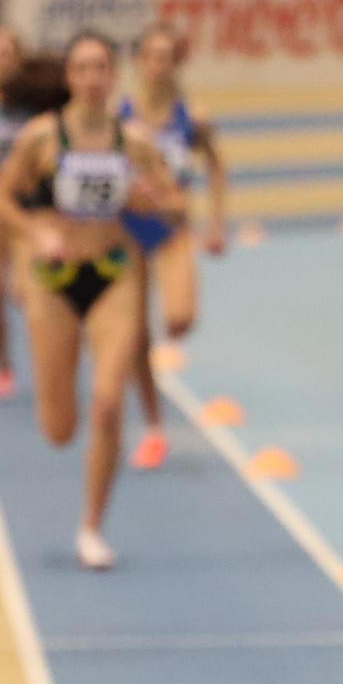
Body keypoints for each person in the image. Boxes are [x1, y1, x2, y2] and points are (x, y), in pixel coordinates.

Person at [0, 32, 178, 571]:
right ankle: (62, 427)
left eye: (101, 67)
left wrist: (151, 201)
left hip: (115, 273)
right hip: (54, 279)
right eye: (82, 68)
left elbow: (172, 202)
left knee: (109, 402)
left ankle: (91, 527)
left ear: (113, 75)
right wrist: (35, 232)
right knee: (59, 428)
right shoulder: (42, 136)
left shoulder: (134, 141)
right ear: (69, 76)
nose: (92, 78)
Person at [117, 24, 228, 469]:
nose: (158, 65)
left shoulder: (193, 116)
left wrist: (216, 224)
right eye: (150, 56)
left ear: (175, 64)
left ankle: (151, 394)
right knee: (134, 334)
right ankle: (153, 426)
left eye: (166, 57)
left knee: (180, 318)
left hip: (173, 228)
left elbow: (216, 166)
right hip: (128, 229)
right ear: (138, 62)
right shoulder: (120, 116)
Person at [0, 36, 61, 399]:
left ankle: (47, 359)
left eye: (10, 54)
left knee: (24, 289)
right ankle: (2, 365)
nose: (3, 60)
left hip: (26, 202)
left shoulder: (36, 100)